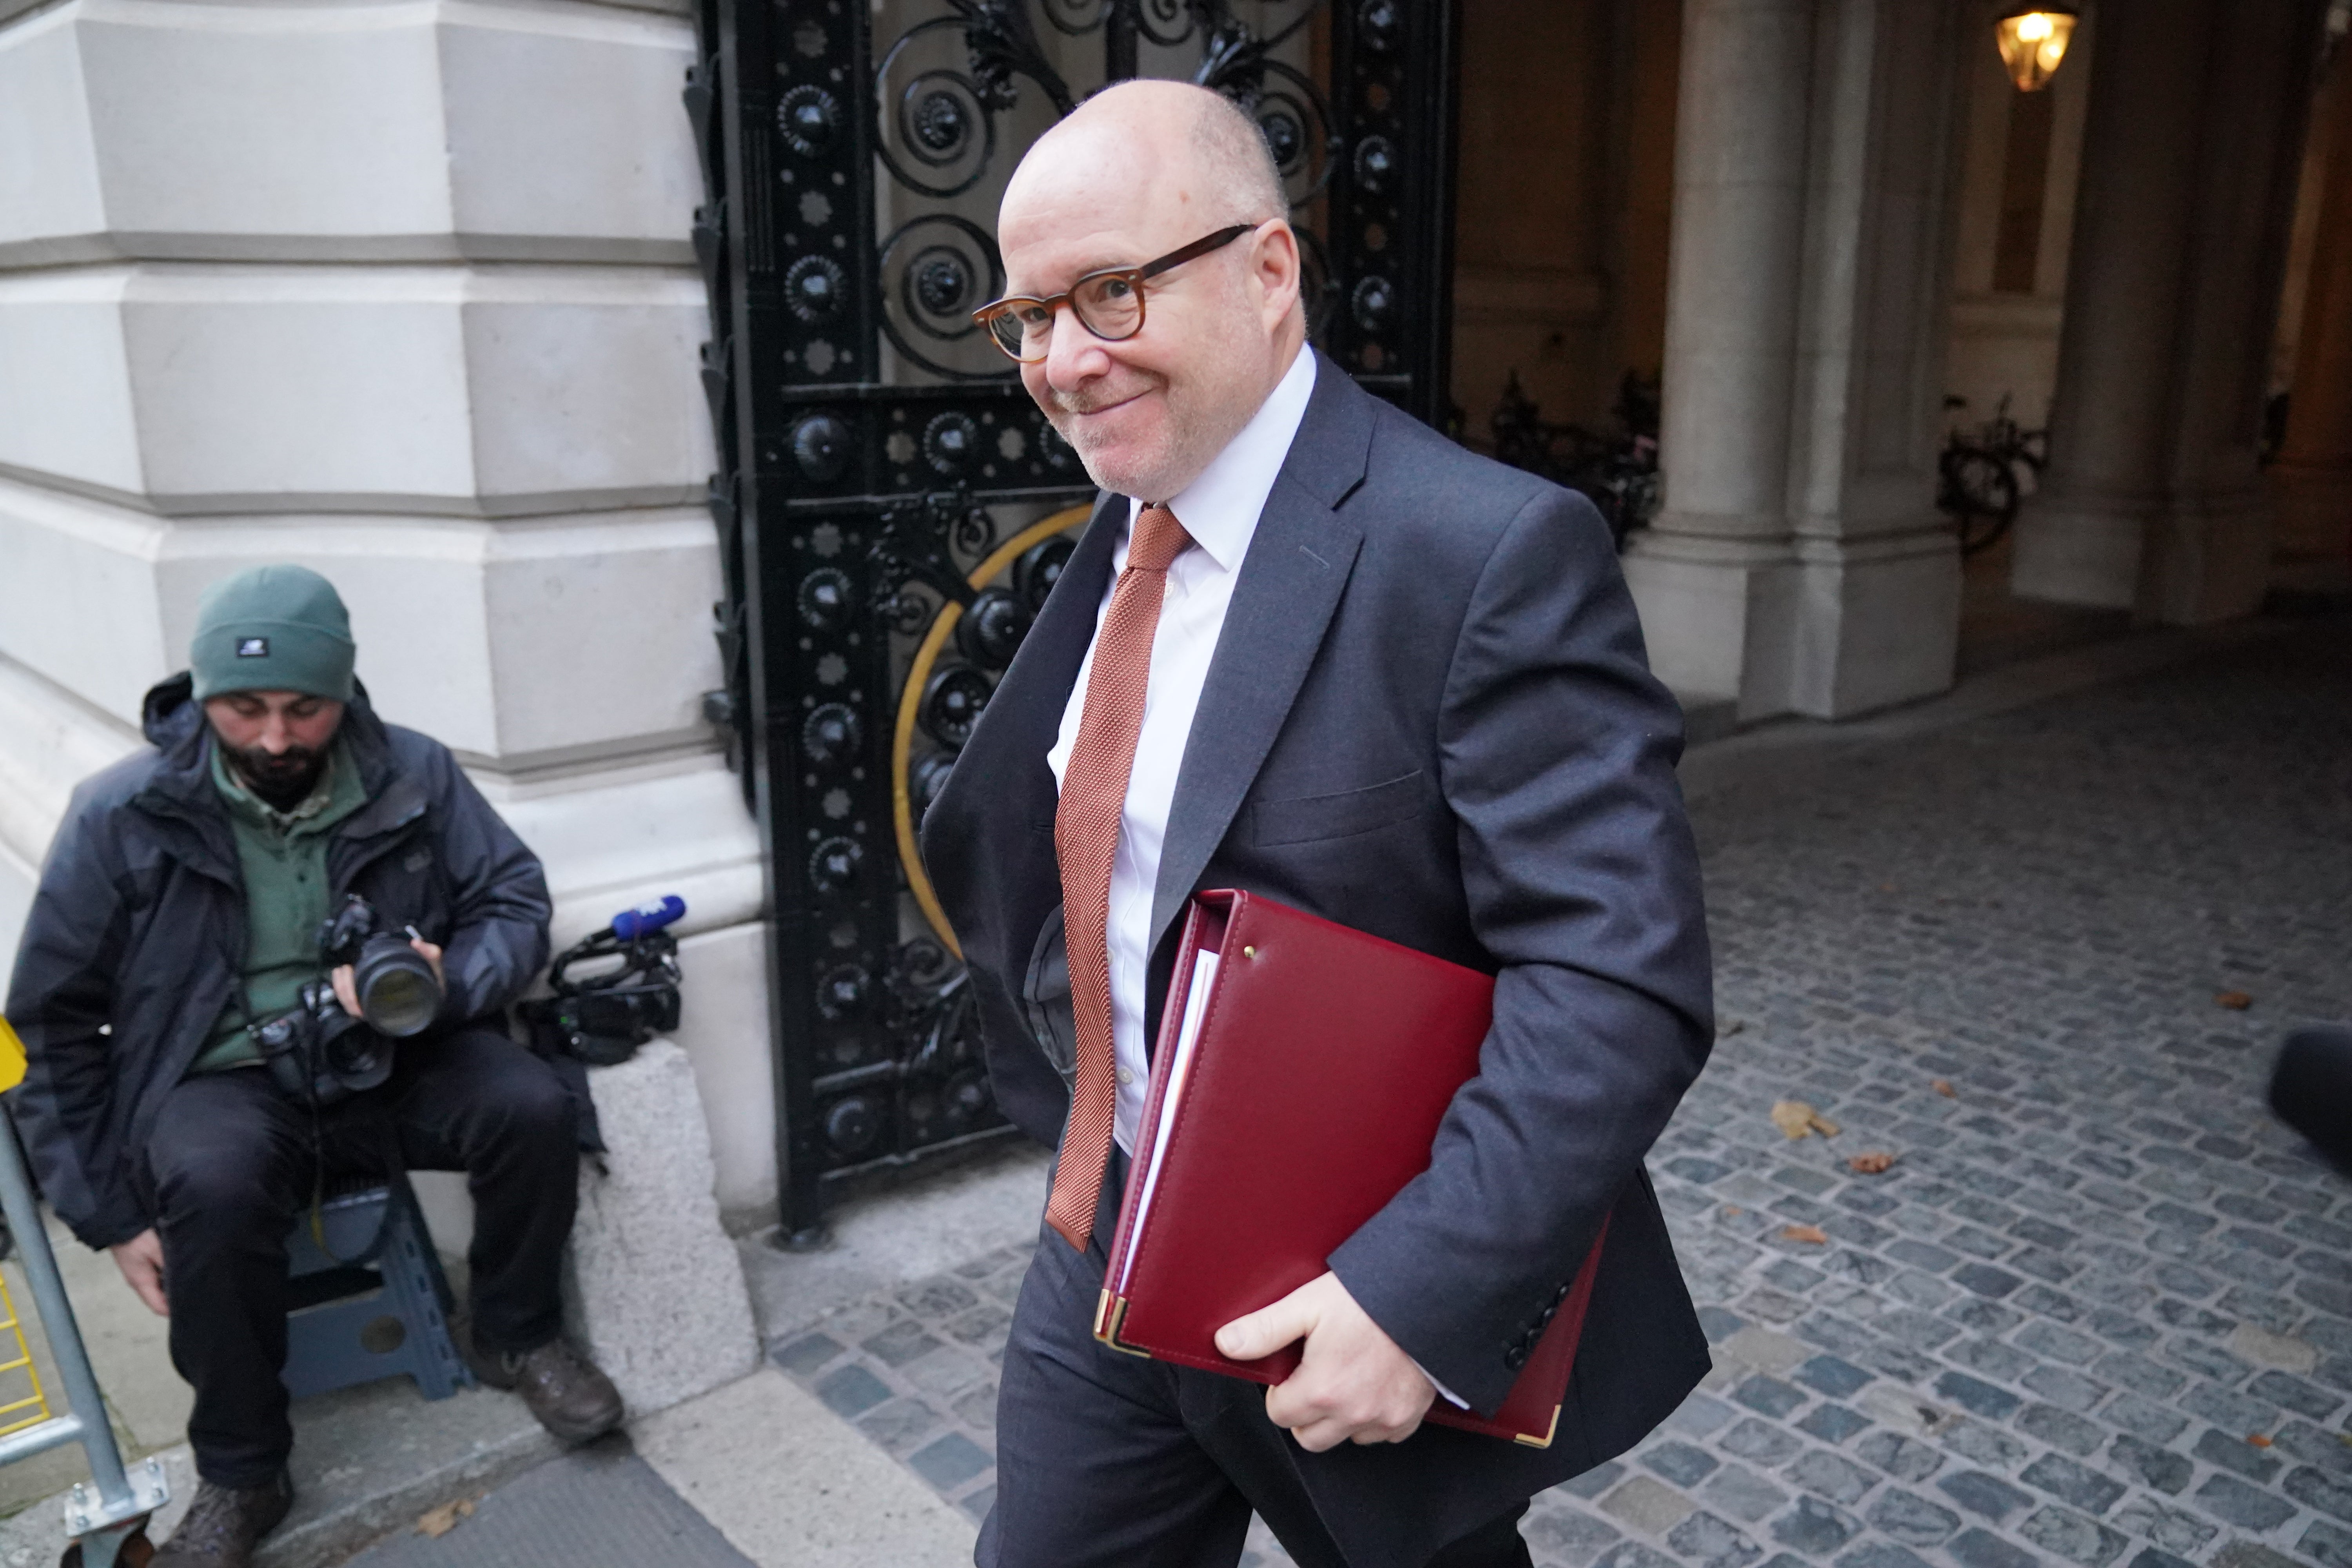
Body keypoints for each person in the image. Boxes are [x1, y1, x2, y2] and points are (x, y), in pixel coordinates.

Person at [919, 80, 1717, 1568]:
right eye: (1027, 318)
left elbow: (1617, 982)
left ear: (1268, 271)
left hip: (1348, 1290)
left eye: (1107, 292)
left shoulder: (1486, 552)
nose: (1060, 361)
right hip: (1102, 1250)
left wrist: (1416, 1295)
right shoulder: (1127, 518)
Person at [5, 566, 622, 1568]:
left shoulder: (416, 771)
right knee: (209, 1181)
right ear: (201, 697)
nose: (278, 739)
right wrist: (111, 1216)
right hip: (221, 1076)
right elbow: (49, 1023)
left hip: (393, 1049)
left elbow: (512, 898)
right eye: (245, 709)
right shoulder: (121, 813)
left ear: (346, 692)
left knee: (529, 1102)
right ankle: (244, 1469)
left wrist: (449, 980)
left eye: (306, 708)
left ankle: (514, 1329)